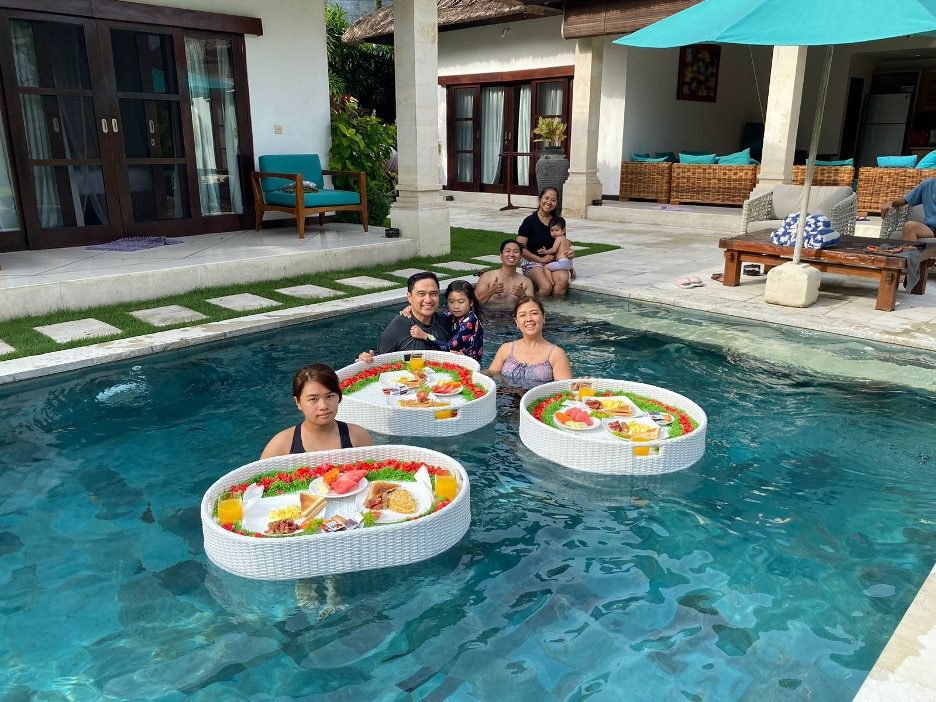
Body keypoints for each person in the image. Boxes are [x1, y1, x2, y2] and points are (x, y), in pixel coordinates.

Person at [261, 364, 372, 458]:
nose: (323, 406)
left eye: (330, 396)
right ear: (298, 402)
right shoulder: (281, 446)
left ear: (339, 397)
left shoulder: (358, 437)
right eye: (313, 399)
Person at [357, 272, 451, 363]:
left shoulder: (447, 321)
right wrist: (367, 358)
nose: (428, 300)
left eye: (433, 293)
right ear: (410, 297)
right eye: (421, 294)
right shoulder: (398, 327)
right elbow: (381, 359)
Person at [485, 296, 572, 386]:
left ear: (544, 317)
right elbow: (490, 374)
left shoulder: (557, 354)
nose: (529, 319)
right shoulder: (506, 349)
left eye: (534, 313)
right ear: (517, 322)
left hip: (537, 399)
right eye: (522, 315)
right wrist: (472, 374)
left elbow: (564, 390)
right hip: (503, 398)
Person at [517, 187, 575, 296]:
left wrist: (570, 254)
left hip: (552, 262)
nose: (549, 202)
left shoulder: (557, 222)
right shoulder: (529, 221)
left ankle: (555, 311)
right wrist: (540, 259)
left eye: (553, 200)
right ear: (539, 199)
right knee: (546, 286)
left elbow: (562, 245)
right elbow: (519, 247)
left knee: (562, 281)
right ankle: (535, 309)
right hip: (532, 262)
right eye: (546, 198)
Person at [407, 279, 484, 361]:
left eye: (461, 302)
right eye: (451, 302)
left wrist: (425, 336)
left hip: (469, 363)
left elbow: (451, 346)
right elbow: (435, 312)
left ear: (471, 302)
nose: (456, 306)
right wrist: (413, 308)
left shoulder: (470, 321)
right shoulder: (454, 315)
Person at [475, 239, 534, 308]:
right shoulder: (487, 277)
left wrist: (523, 296)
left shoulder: (526, 282)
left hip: (513, 316)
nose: (511, 255)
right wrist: (490, 291)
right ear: (501, 255)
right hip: (490, 315)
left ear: (521, 256)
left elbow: (532, 307)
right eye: (508, 251)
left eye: (516, 252)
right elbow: (474, 303)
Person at [537, 216, 575, 287]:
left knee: (546, 267)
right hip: (569, 263)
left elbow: (553, 250)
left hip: (562, 263)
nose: (554, 233)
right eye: (552, 230)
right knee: (567, 265)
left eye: (556, 230)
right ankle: (573, 272)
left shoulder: (558, 239)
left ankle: (550, 281)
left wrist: (545, 251)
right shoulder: (565, 239)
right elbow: (569, 245)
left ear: (564, 230)